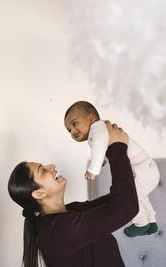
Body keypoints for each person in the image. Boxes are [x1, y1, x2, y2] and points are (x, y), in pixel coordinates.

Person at [8, 121, 138, 267]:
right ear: (39, 194)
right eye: (43, 170)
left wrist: (105, 146)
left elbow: (120, 199)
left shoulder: (71, 211)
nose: (51, 166)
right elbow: (126, 206)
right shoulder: (59, 230)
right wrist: (117, 148)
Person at [64, 101, 160, 237]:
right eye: (69, 130)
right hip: (145, 168)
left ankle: (141, 223)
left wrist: (94, 169)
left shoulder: (97, 128)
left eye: (74, 124)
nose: (73, 132)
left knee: (132, 195)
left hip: (142, 168)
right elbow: (105, 147)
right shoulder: (100, 130)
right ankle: (152, 223)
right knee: (140, 196)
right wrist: (103, 161)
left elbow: (99, 146)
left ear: (91, 118)